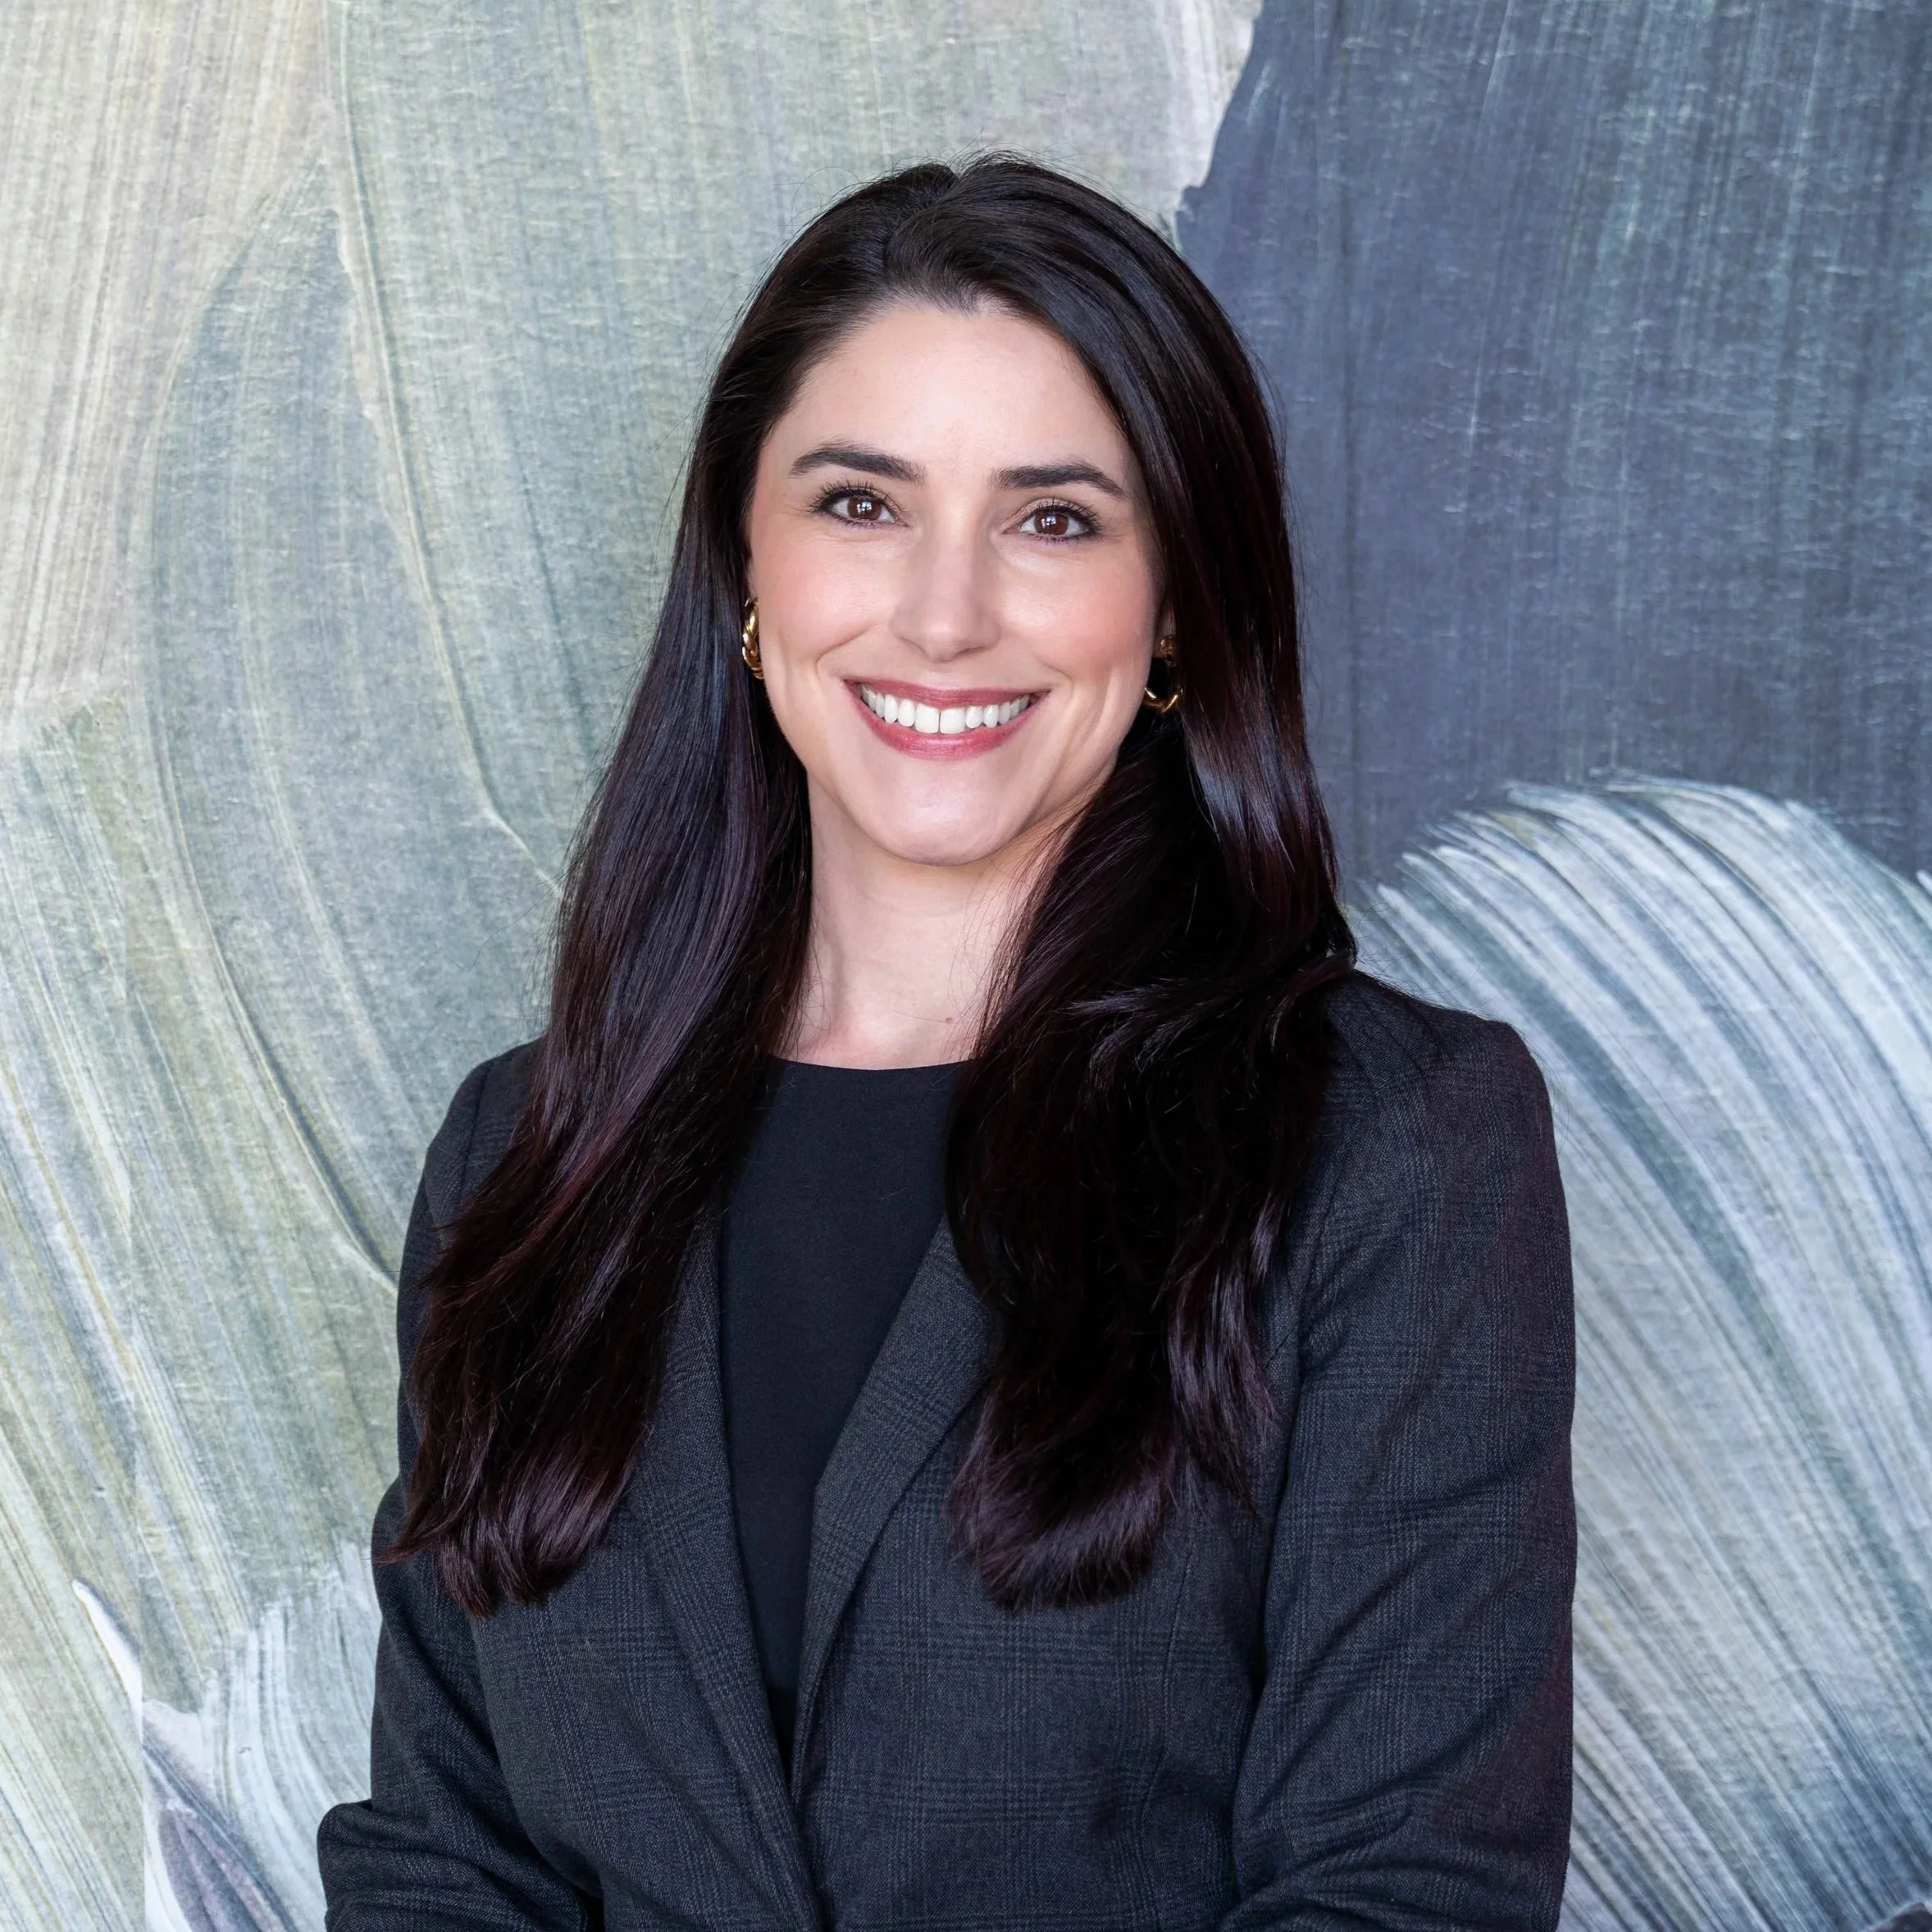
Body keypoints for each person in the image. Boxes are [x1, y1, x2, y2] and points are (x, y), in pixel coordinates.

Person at [317, 155, 1575, 1930]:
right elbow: (447, 1861)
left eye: (1052, 520)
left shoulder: (1391, 1143)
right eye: (860, 503)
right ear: (743, 564)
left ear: (1169, 607)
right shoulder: (528, 1155)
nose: (941, 613)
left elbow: (1401, 1892)